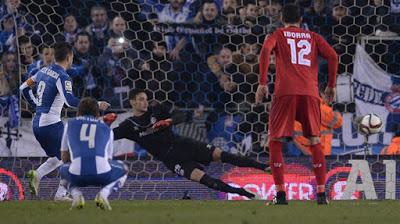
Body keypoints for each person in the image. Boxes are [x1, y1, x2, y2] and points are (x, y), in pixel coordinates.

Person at [109, 89, 270, 199]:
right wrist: (105, 122)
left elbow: (182, 116)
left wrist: (168, 122)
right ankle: (246, 193)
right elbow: (108, 136)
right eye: (140, 100)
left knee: (225, 156)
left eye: (145, 99)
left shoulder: (156, 110)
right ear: (132, 102)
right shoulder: (128, 125)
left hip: (185, 145)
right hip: (173, 160)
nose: (145, 102)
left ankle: (264, 167)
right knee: (207, 180)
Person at [255, 4, 338, 205]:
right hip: (310, 93)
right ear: (300, 20)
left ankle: (281, 195)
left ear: (282, 18)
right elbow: (334, 56)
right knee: (315, 140)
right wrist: (331, 86)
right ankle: (321, 195)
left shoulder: (277, 34)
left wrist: (263, 83)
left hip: (284, 92)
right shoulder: (313, 37)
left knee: (275, 140)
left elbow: (266, 50)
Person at [19, 42, 109, 201]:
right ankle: (60, 194)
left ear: (54, 56)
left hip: (37, 123)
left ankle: (37, 174)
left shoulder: (42, 71)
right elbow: (70, 101)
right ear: (69, 57)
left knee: (58, 157)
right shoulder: (62, 76)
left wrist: (35, 106)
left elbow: (23, 88)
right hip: (51, 124)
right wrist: (96, 103)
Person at [60, 97, 128, 210]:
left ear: (78, 112)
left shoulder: (70, 124)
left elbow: (64, 156)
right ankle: (103, 195)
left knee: (63, 169)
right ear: (98, 113)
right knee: (124, 168)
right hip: (102, 175)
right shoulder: (107, 129)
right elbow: (108, 159)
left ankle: (77, 196)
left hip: (77, 176)